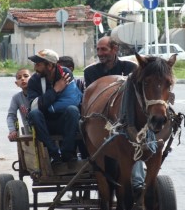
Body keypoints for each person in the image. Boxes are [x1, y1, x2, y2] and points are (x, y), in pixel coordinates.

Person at [83, 36, 145, 200]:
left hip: (126, 121)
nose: (100, 53)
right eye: (98, 50)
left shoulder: (130, 68)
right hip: (99, 122)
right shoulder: (91, 72)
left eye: (104, 49)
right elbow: (89, 102)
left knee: (139, 143)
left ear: (115, 50)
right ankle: (85, 157)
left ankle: (139, 182)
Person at [27, 49, 81, 167]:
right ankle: (54, 154)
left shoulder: (65, 74)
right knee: (34, 114)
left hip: (63, 122)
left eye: (38, 64)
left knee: (73, 110)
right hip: (44, 124)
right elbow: (35, 106)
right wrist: (55, 90)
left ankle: (67, 154)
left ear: (50, 66)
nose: (35, 67)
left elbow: (71, 101)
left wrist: (47, 104)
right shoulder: (34, 81)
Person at [7, 68, 31, 141]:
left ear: (33, 79)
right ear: (17, 83)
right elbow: (11, 116)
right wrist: (12, 130)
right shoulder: (16, 98)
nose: (23, 79)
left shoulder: (40, 93)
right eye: (19, 78)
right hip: (29, 134)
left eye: (26, 76)